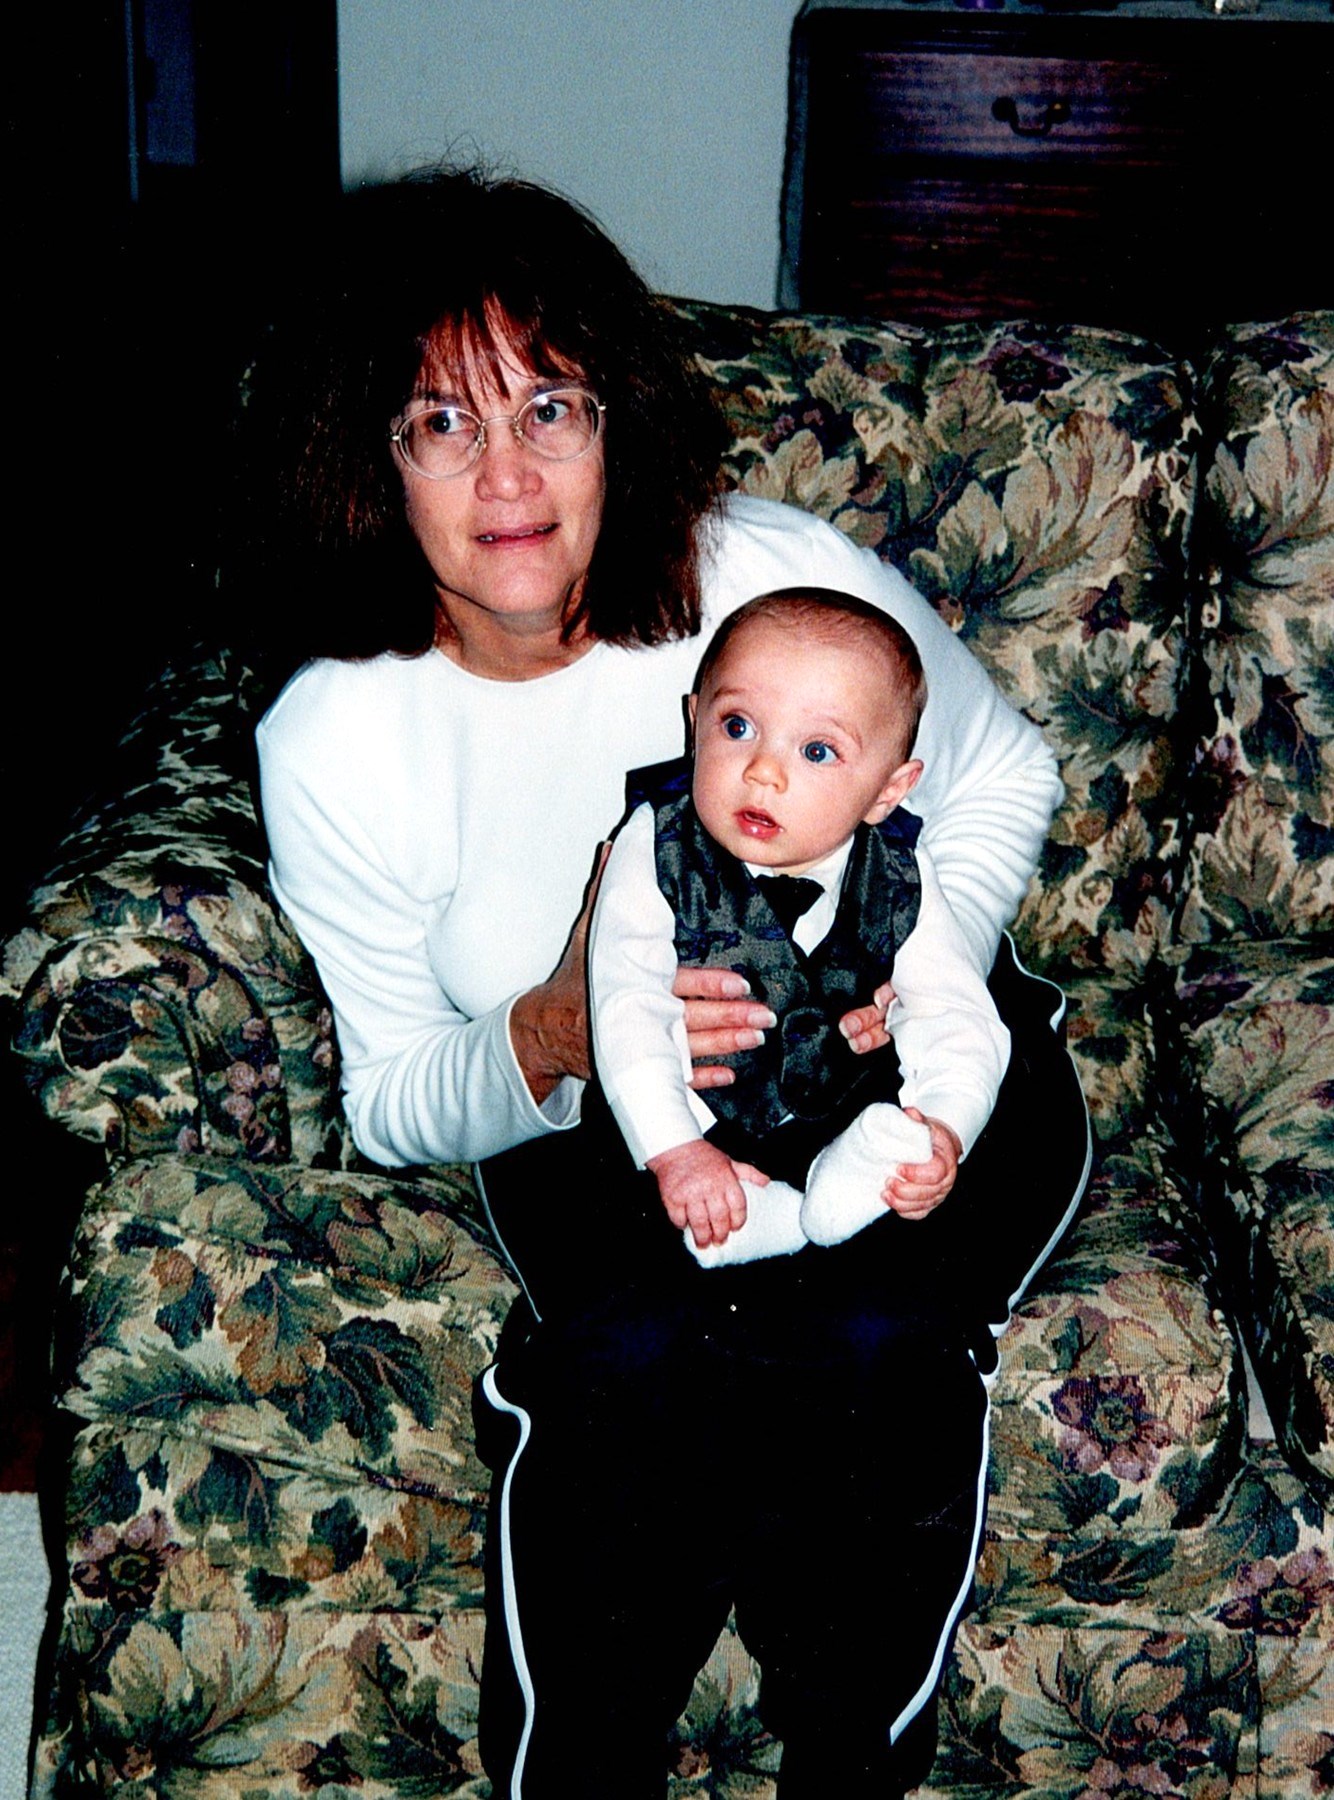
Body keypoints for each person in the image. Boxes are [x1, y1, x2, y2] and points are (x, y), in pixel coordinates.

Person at [253, 166, 1090, 1799]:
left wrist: (902, 956)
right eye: (441, 422)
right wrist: (561, 1016)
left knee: (870, 1339)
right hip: (604, 1112)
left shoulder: (757, 577)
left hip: (893, 1064)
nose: (507, 474)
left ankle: (845, 1765)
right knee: (628, 1366)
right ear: (366, 452)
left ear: (613, 420)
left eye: (548, 407)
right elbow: (393, 1096)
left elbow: (1000, 779)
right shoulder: (339, 739)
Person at [590, 587, 1010, 1268]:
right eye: (736, 727)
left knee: (953, 1204)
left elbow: (954, 1009)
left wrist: (943, 1128)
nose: (763, 769)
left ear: (887, 791)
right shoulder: (656, 844)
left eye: (817, 751)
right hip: (687, 1111)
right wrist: (676, 1150)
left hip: (839, 1107)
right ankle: (740, 1218)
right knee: (619, 1210)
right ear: (694, 722)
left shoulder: (900, 868)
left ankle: (864, 1173)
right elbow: (624, 1003)